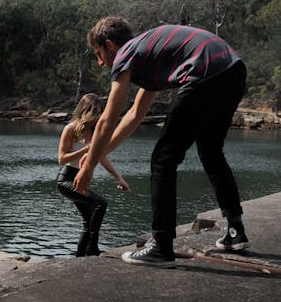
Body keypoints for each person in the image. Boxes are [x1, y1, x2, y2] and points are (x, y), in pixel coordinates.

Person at [73, 16, 249, 267]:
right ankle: (235, 231)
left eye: (99, 54)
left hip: (204, 72)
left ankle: (161, 245)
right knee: (210, 151)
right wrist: (98, 153)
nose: (101, 63)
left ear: (111, 45)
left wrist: (89, 167)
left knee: (163, 159)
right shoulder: (150, 56)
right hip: (232, 70)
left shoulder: (126, 54)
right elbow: (134, 115)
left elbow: (106, 120)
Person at [57, 93, 130, 256]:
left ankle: (80, 257)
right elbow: (61, 159)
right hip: (66, 180)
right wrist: (85, 149)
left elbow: (102, 158)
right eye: (94, 111)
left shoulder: (95, 131)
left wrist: (119, 178)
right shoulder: (70, 129)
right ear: (84, 109)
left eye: (99, 112)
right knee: (100, 204)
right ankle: (93, 248)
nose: (97, 116)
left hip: (81, 180)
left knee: (88, 221)